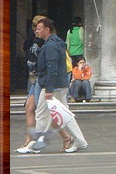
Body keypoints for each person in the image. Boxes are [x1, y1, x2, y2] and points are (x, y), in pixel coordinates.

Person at [18, 17, 88, 154]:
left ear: (47, 29)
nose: (36, 32)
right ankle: (80, 141)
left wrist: (48, 89)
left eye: (39, 29)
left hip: (53, 86)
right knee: (65, 115)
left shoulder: (50, 46)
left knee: (42, 114)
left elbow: (52, 68)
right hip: (59, 84)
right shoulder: (56, 43)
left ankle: (34, 144)